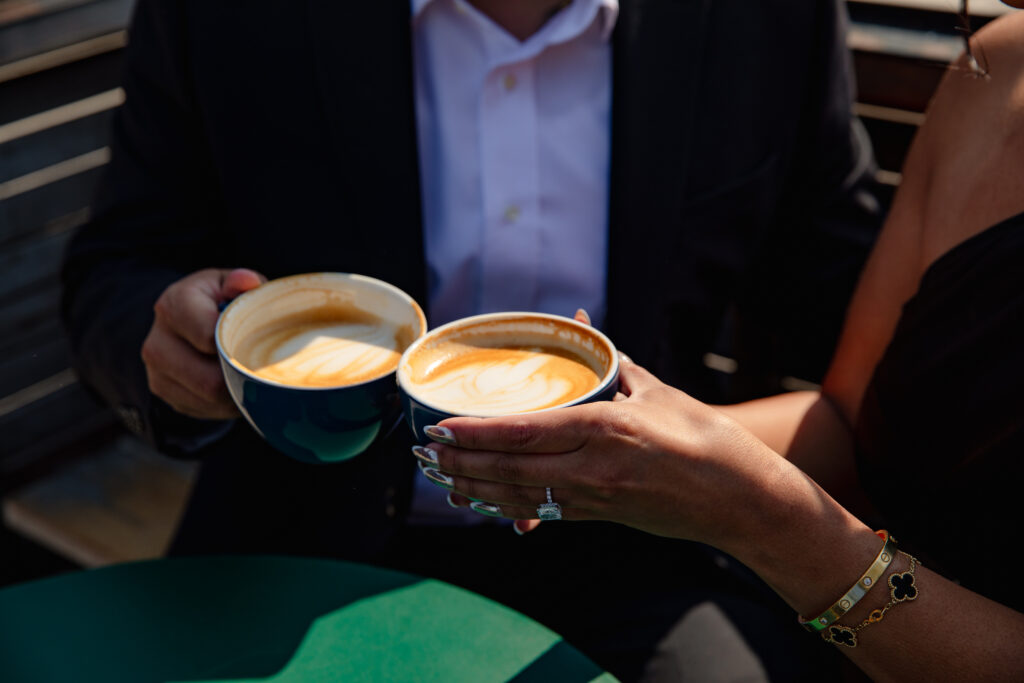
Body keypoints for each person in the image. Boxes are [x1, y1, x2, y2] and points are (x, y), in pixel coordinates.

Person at [61, 0, 881, 679]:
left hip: (642, 544)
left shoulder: (769, 19)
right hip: (305, 527)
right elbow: (118, 266)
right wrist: (171, 345)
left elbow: (844, 300)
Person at [426, 4, 1024, 680]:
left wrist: (754, 512)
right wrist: (646, 466)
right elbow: (851, 414)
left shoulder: (769, 24)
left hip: (667, 567)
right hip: (340, 529)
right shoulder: (994, 69)